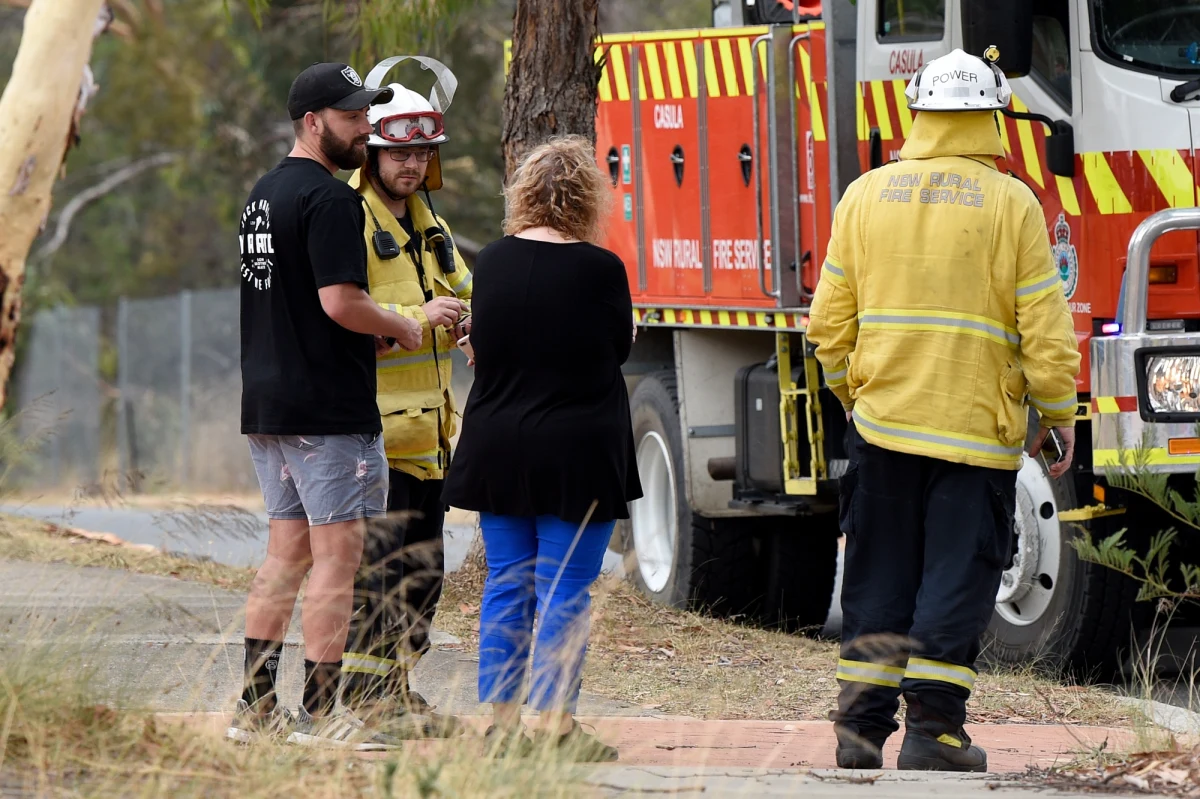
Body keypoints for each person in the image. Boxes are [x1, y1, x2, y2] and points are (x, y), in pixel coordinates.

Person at [808, 48, 1080, 772]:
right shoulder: (1013, 204)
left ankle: (859, 730)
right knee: (957, 578)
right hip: (974, 436)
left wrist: (855, 394)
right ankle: (933, 731)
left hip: (882, 430)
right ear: (993, 117)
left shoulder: (865, 196)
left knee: (878, 576)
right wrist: (1059, 413)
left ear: (917, 114)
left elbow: (827, 326)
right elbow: (1045, 330)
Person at [228, 61, 425, 750]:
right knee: (337, 562)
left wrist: (366, 333)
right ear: (314, 122)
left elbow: (295, 304)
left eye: (366, 114)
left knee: (285, 557)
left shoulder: (262, 195)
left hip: (270, 407)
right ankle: (320, 714)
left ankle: (254, 709)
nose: (366, 128)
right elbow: (341, 301)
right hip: (328, 413)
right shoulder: (333, 200)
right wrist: (403, 324)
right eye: (352, 117)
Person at [441, 136, 643, 761]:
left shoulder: (492, 262)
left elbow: (485, 343)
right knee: (564, 589)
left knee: (507, 582)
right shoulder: (602, 268)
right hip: (578, 451)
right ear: (587, 199)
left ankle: (501, 727)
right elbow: (619, 348)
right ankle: (555, 727)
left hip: (500, 445)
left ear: (523, 194)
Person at [338, 59, 472, 739]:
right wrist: (421, 315)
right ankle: (368, 703)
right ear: (372, 153)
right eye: (399, 153)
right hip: (377, 441)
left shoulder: (430, 226)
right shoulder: (348, 220)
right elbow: (342, 317)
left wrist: (474, 321)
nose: (413, 164)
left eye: (422, 153)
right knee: (378, 576)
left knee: (423, 577)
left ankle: (396, 691)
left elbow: (466, 293)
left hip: (431, 441)